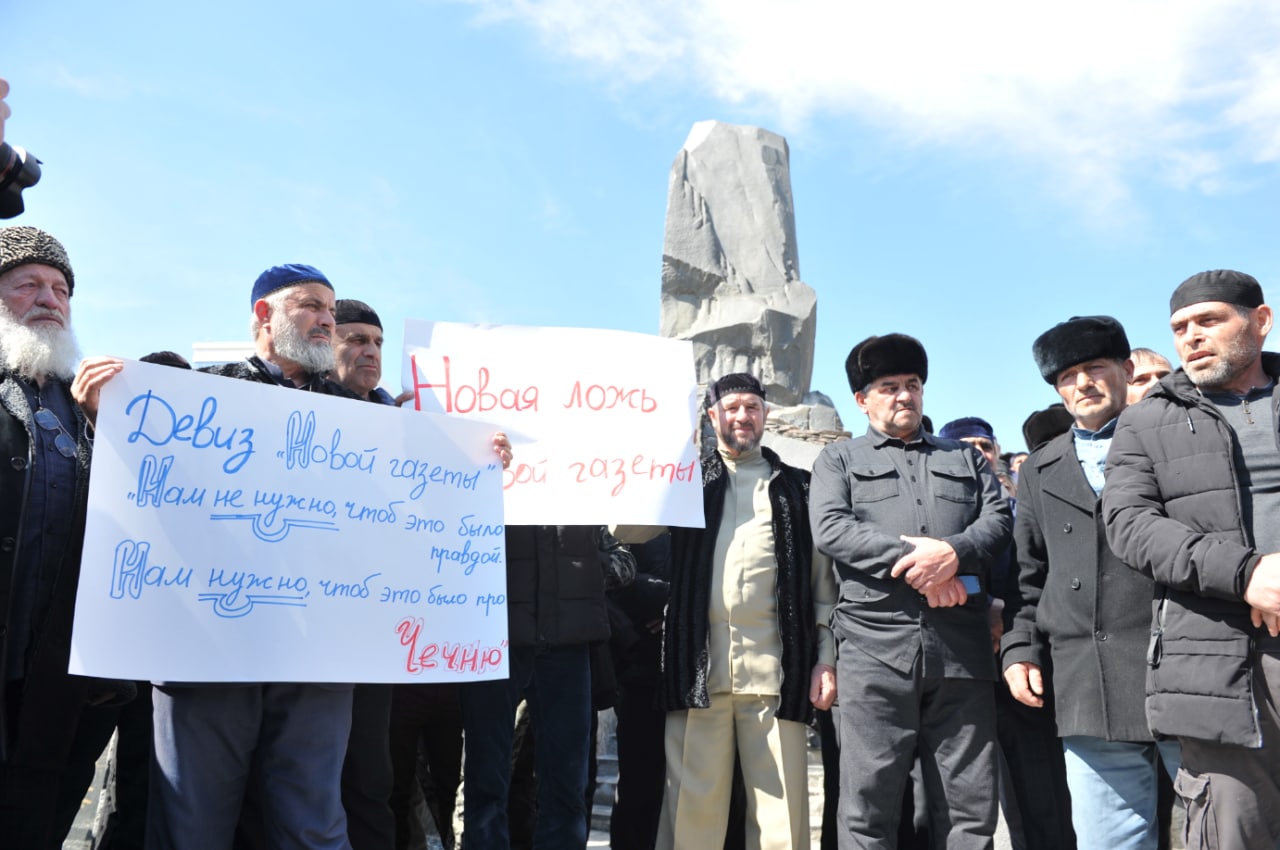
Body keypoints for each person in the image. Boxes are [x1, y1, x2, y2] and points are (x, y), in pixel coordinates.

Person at [141, 263, 360, 849]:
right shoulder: (196, 394)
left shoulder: (364, 421)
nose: (326, 320)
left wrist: (479, 460)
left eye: (331, 311)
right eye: (311, 305)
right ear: (264, 313)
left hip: (316, 653)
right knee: (194, 821)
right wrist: (101, 411)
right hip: (212, 650)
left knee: (312, 822)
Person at [617, 372, 836, 850]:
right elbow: (625, 531)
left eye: (752, 407)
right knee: (691, 817)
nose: (742, 416)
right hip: (699, 674)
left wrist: (826, 657)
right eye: (731, 407)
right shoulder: (686, 481)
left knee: (783, 822)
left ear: (765, 416)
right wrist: (664, 463)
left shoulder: (798, 488)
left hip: (779, 676)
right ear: (712, 415)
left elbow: (823, 590)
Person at [810, 333, 1011, 850]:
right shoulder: (838, 462)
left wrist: (953, 556)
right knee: (867, 807)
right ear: (863, 399)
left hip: (961, 652)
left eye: (913, 384)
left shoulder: (965, 459)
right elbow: (832, 529)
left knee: (969, 806)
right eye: (889, 386)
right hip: (874, 652)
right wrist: (923, 562)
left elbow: (998, 522)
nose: (904, 395)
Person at [1103, 270, 1280, 849]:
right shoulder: (1146, 419)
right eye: (1180, 327)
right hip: (1215, 666)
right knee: (1234, 831)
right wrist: (1248, 574)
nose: (1191, 337)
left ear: (1260, 320)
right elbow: (1128, 526)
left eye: (1209, 321)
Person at [1003, 315, 1178, 849]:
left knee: (1217, 832)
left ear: (1127, 369)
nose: (1083, 383)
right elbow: (1026, 575)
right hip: (1088, 681)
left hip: (1185, 669)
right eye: (1068, 376)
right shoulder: (1040, 467)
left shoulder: (1180, 441)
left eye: (1095, 368)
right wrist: (1019, 650)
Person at [0, 225, 130, 845]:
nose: (49, 298)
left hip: (54, 682)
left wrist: (114, 431)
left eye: (60, 288)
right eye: (28, 284)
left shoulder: (89, 407)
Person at [458, 524, 631, 849]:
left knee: (566, 787)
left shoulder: (583, 485)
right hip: (494, 642)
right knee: (485, 782)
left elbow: (624, 563)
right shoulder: (481, 478)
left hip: (566, 646)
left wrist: (582, 567)